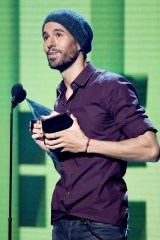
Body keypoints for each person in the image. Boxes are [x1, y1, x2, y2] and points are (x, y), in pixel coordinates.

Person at [30, 8, 159, 240]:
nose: (49, 43)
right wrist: (51, 148)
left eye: (58, 34)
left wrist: (87, 144)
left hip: (99, 224)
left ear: (79, 43)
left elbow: (150, 149)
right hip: (62, 221)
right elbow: (74, 168)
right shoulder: (60, 99)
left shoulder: (111, 86)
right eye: (45, 36)